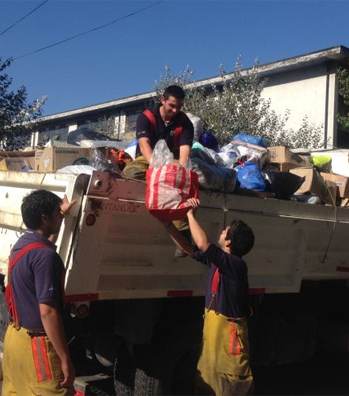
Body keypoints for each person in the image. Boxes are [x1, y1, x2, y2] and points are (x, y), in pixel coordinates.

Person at [163, 197, 255, 396]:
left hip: (227, 337)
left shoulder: (236, 265)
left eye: (224, 231)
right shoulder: (221, 262)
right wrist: (169, 226)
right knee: (208, 384)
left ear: (229, 241)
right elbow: (190, 249)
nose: (221, 233)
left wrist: (189, 215)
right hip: (213, 335)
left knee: (230, 387)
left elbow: (204, 244)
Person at [1, 189, 77, 396]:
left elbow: (47, 241)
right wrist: (65, 359)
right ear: (45, 218)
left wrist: (61, 214)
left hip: (15, 339)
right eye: (56, 213)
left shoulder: (22, 245)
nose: (60, 217)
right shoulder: (45, 257)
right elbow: (48, 312)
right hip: (38, 348)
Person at [122, 85, 195, 180]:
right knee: (131, 173)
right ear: (163, 100)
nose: (175, 110)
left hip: (173, 161)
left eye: (179, 106)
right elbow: (144, 144)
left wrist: (181, 170)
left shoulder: (185, 123)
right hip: (147, 159)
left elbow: (185, 149)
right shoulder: (146, 117)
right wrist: (156, 167)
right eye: (172, 106)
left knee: (192, 175)